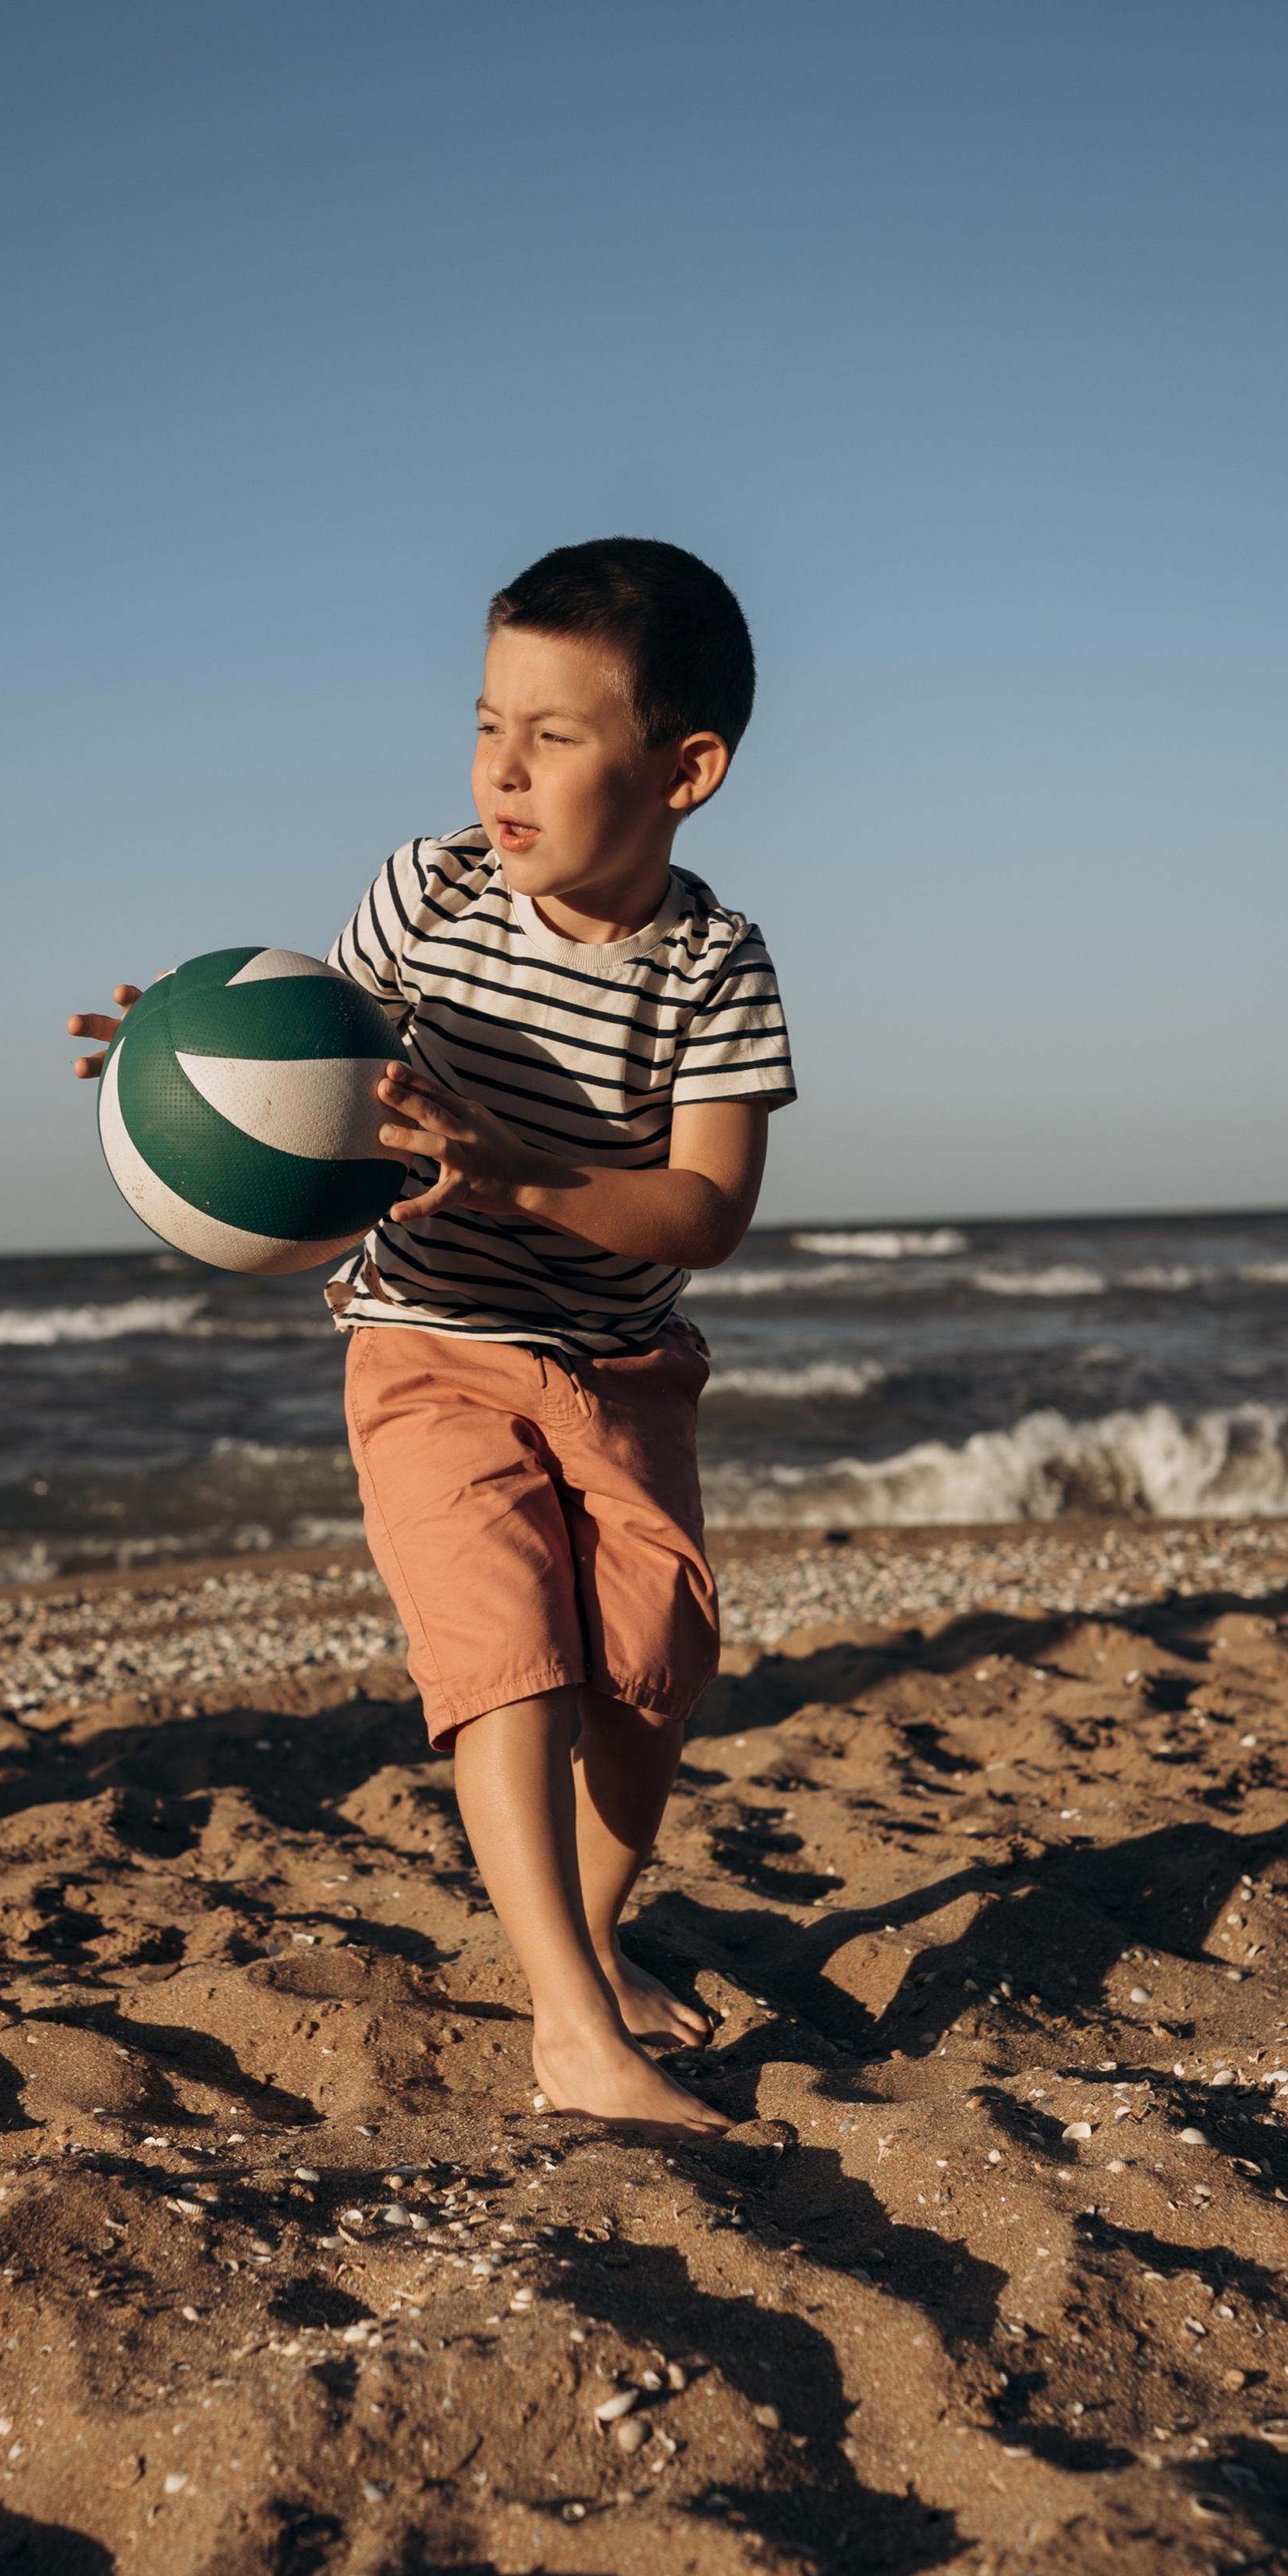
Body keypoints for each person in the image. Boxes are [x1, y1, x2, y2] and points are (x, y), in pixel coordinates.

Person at [69, 537, 796, 2135]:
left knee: (650, 1675)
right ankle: (574, 2031)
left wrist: (524, 1169)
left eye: (552, 734)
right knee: (504, 1655)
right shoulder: (429, 891)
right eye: (485, 725)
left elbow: (704, 1210)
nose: (501, 770)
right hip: (428, 1337)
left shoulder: (713, 968)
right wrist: (181, 1058)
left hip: (619, 1366)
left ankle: (581, 1953)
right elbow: (314, 1064)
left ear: (683, 770)